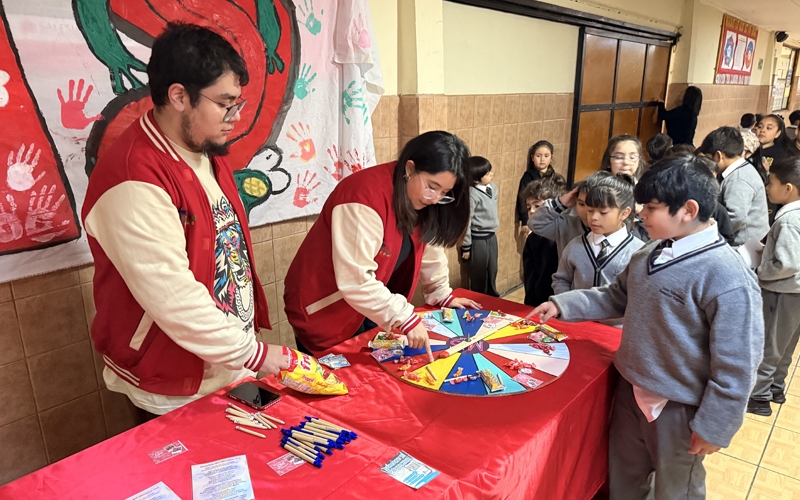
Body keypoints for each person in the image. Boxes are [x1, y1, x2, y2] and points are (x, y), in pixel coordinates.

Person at [81, 23, 286, 417]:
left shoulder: (205, 148)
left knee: (262, 450)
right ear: (178, 96)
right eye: (225, 104)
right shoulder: (133, 177)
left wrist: (246, 351)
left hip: (231, 365)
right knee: (201, 458)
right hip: (172, 384)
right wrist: (256, 354)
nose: (235, 118)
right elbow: (173, 296)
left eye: (237, 104)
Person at [531, 156, 763, 499]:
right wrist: (564, 304)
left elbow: (738, 364)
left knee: (676, 489)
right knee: (625, 478)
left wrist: (716, 424)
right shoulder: (649, 253)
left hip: (679, 406)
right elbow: (617, 296)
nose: (641, 214)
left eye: (651, 208)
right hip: (631, 390)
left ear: (688, 210)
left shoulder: (727, 276)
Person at [283, 131, 481, 359]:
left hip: (368, 307)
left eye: (444, 193)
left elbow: (427, 245)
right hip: (325, 308)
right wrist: (404, 317)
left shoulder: (420, 199)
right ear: (410, 168)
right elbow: (356, 279)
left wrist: (440, 291)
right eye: (431, 187)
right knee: (338, 376)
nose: (435, 198)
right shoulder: (364, 197)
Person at [748, 157, 800, 417]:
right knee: (787, 344)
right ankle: (776, 387)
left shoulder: (788, 220)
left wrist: (760, 271)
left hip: (782, 292)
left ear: (788, 188)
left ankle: (758, 396)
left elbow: (787, 263)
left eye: (772, 182)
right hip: (795, 293)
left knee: (769, 345)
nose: (768, 187)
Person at [551, 174, 644, 295]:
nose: (593, 217)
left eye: (603, 212)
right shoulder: (575, 245)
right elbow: (561, 280)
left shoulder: (637, 252)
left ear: (624, 213)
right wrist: (567, 303)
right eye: (590, 211)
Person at [696, 126, 769, 246]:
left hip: (744, 245)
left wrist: (707, 233)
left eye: (709, 159)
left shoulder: (739, 179)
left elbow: (736, 217)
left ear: (718, 156)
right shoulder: (738, 171)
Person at [528, 170, 612, 258]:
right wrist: (560, 203)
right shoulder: (566, 225)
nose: (586, 211)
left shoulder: (615, 230)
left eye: (592, 206)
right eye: (581, 204)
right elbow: (535, 223)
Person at [521, 177, 566, 306]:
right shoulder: (533, 239)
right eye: (529, 207)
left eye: (537, 206)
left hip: (561, 302)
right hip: (537, 302)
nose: (532, 211)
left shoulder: (564, 236)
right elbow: (530, 277)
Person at [462, 156, 499, 297]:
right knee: (479, 272)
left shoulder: (492, 188)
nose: (491, 174)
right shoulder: (472, 194)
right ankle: (478, 298)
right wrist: (466, 246)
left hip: (492, 236)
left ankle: (492, 296)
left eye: (490, 171)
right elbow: (467, 221)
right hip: (478, 239)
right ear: (476, 180)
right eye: (487, 173)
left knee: (492, 268)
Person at [693, 155, 737, 246]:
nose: (710, 186)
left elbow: (728, 237)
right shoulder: (678, 205)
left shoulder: (717, 209)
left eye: (713, 181)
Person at [516, 141, 559, 226]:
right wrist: (525, 221)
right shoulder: (528, 176)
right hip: (534, 217)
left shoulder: (554, 177)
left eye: (546, 156)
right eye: (538, 156)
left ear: (551, 157)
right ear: (532, 157)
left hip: (550, 217)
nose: (542, 159)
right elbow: (522, 199)